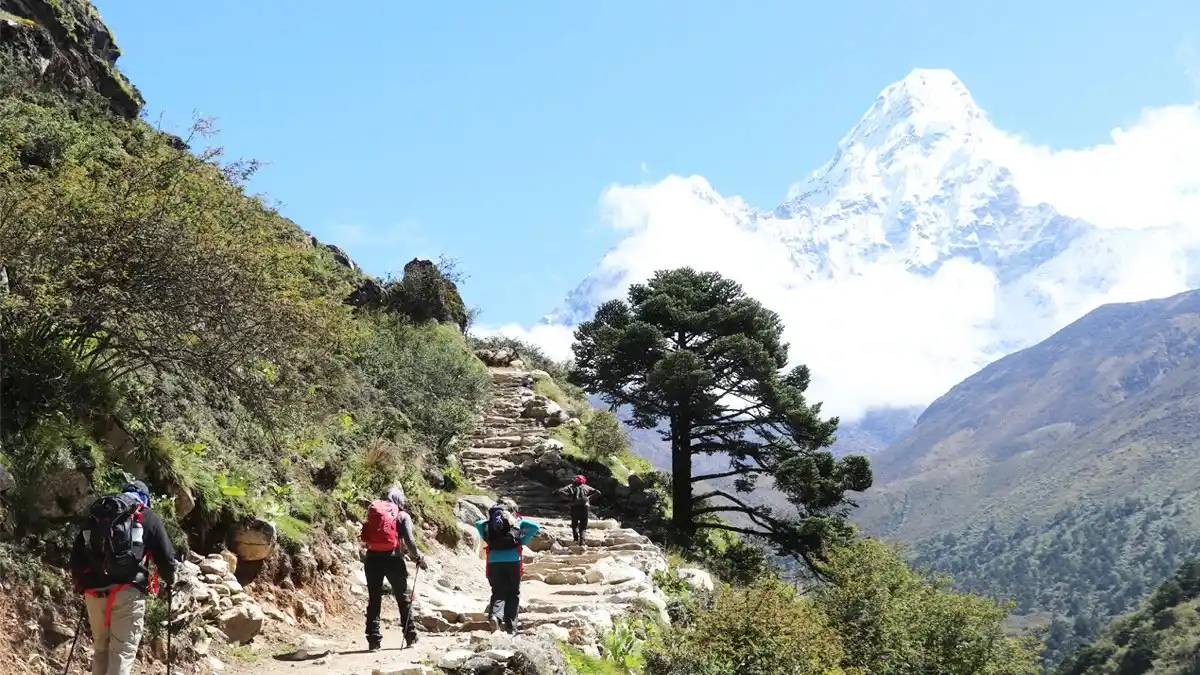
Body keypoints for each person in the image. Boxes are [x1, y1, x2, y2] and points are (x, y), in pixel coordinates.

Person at [70, 480, 176, 675]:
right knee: (122, 653)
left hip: (94, 593)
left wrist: (81, 583)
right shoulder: (147, 516)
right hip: (128, 593)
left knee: (101, 650)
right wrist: (170, 580)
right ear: (145, 499)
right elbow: (167, 558)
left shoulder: (100, 514)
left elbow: (77, 555)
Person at [360, 486, 427, 651]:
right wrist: (418, 558)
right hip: (393, 559)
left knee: (374, 599)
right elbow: (410, 541)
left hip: (372, 558)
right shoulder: (402, 515)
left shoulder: (375, 511)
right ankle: (410, 635)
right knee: (403, 597)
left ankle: (373, 640)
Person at [474, 503, 540, 634]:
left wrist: (492, 520)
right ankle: (511, 625)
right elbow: (535, 527)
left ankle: (495, 616)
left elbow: (478, 523)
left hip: (493, 561)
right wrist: (523, 537)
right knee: (513, 592)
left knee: (498, 591)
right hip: (513, 561)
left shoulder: (486, 526)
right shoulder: (516, 524)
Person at [555, 475, 600, 546]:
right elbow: (598, 492)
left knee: (574, 525)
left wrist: (569, 496)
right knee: (583, 527)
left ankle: (575, 540)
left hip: (574, 508)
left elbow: (560, 491)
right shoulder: (586, 487)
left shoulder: (570, 486)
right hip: (584, 508)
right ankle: (582, 542)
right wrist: (589, 498)